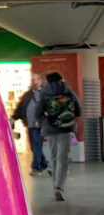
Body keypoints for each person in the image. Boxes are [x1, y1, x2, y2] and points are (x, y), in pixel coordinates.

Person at [35, 71, 82, 202]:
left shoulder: (44, 93)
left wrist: (40, 119)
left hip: (50, 128)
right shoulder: (68, 91)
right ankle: (59, 187)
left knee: (54, 156)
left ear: (48, 81)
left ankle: (55, 182)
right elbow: (79, 110)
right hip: (66, 127)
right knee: (63, 157)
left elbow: (38, 111)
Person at [11, 73, 48, 176]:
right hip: (30, 125)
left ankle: (36, 168)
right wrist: (14, 118)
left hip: (40, 126)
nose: (33, 81)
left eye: (34, 79)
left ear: (40, 81)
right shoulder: (27, 95)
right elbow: (20, 108)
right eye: (31, 80)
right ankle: (43, 164)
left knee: (36, 145)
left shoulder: (45, 95)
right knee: (34, 146)